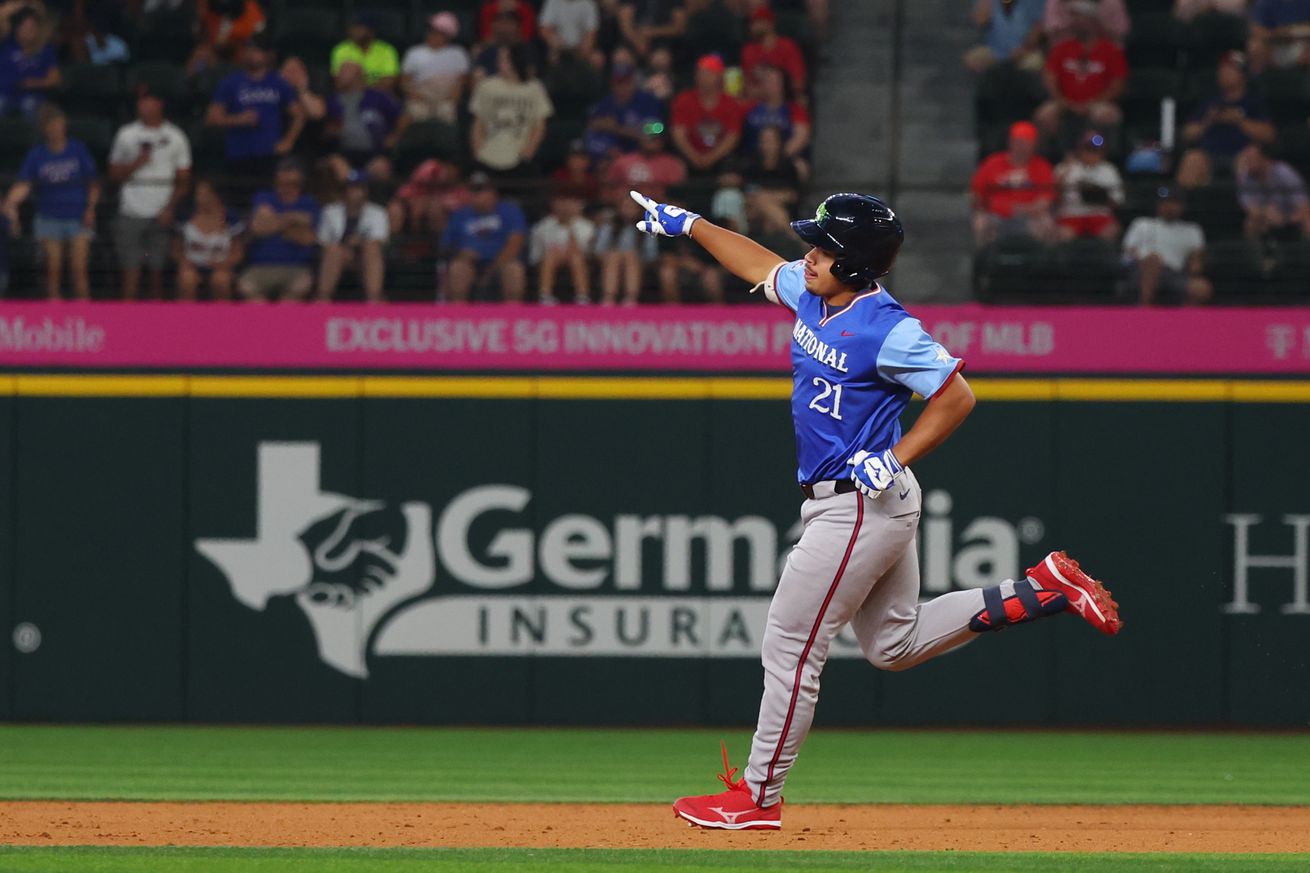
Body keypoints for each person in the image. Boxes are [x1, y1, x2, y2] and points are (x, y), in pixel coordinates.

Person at [626, 187, 1122, 831]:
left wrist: (899, 453)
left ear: (856, 264)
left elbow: (957, 396)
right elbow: (754, 264)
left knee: (790, 645)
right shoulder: (813, 295)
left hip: (860, 503)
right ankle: (1041, 589)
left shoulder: (888, 327)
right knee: (895, 643)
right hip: (861, 503)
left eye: (824, 248)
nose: (808, 256)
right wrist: (689, 223)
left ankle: (757, 797)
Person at [3, 105, 99, 300]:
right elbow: (24, 184)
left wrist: (90, 208)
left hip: (78, 217)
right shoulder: (37, 155)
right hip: (49, 218)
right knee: (53, 270)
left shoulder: (77, 149)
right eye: (52, 126)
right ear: (44, 129)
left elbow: (93, 184)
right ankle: (55, 318)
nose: (56, 129)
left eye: (59, 125)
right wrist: (9, 201)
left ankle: (88, 316)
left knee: (79, 270)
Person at [109, 87, 193, 299]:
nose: (143, 105)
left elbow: (183, 180)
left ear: (160, 104)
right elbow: (113, 173)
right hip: (131, 212)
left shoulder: (176, 136)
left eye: (148, 101)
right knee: (131, 272)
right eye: (140, 101)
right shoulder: (126, 134)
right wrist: (136, 163)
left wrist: (170, 208)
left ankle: (156, 324)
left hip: (161, 213)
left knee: (157, 272)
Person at [206, 36, 304, 181]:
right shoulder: (231, 83)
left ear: (267, 55)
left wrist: (288, 141)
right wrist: (238, 120)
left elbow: (299, 114)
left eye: (257, 51)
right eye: (249, 50)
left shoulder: (279, 83)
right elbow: (212, 118)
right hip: (238, 154)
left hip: (269, 155)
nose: (251, 54)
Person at [1176, 52, 1275, 189]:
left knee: (1248, 159)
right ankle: (1187, 208)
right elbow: (1188, 134)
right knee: (1192, 159)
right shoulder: (1210, 102)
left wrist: (1240, 121)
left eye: (1230, 69)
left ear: (1243, 75)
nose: (1224, 73)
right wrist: (1208, 121)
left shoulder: (1253, 103)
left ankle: (1251, 207)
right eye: (1222, 69)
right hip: (1209, 154)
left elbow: (1269, 136)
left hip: (1241, 153)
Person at [1034, 1, 1127, 146]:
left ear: (1093, 20)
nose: (1076, 22)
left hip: (1096, 103)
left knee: (1107, 115)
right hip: (1065, 102)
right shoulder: (1062, 48)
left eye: (1081, 17)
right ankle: (1049, 158)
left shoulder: (1110, 50)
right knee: (1044, 115)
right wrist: (1061, 100)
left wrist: (1095, 102)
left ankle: (1096, 154)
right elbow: (1049, 77)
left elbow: (1118, 83)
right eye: (1075, 18)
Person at [238, 158, 319, 301]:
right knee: (247, 287)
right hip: (260, 267)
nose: (287, 189)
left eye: (293, 184)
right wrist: (292, 220)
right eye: (281, 184)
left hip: (296, 268)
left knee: (298, 290)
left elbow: (307, 239)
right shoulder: (263, 197)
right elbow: (258, 228)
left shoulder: (309, 202)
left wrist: (273, 222)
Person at [440, 172, 528, 301]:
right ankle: (458, 317)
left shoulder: (510, 210)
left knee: (514, 270)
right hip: (469, 263)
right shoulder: (460, 215)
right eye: (474, 190)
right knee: (457, 269)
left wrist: (491, 270)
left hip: (501, 262)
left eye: (482, 190)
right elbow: (446, 246)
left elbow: (515, 242)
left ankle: (512, 318)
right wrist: (461, 253)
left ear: (493, 192)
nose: (477, 195)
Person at [469, 44, 553, 177]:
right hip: (488, 155)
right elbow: (479, 123)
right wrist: (478, 152)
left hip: (519, 157)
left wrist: (527, 154)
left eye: (504, 59)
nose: (499, 63)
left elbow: (539, 125)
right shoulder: (487, 86)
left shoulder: (534, 87)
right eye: (500, 59)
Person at [970, 120, 1056, 245]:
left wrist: (1023, 210)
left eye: (1026, 143)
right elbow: (976, 193)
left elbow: (1045, 200)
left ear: (1033, 145)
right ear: (1010, 142)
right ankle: (983, 262)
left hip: (1030, 216)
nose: (1021, 146)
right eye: (1018, 142)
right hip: (995, 216)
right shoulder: (993, 163)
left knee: (1046, 225)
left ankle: (1045, 262)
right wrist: (988, 208)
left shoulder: (1041, 166)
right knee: (980, 223)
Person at [1122, 186, 1211, 305]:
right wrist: (1142, 262)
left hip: (1174, 274)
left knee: (1202, 288)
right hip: (1141, 269)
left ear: (1182, 206)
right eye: (1164, 203)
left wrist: (1194, 270)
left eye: (1173, 203)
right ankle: (1144, 311)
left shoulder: (1192, 230)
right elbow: (1128, 251)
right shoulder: (1142, 223)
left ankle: (1185, 321)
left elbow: (1196, 260)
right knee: (1154, 259)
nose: (1168, 207)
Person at [324, 60, 406, 183]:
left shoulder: (377, 97)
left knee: (381, 169)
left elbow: (404, 117)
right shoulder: (331, 100)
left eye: (344, 71)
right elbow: (322, 129)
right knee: (338, 169)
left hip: (374, 152)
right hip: (342, 152)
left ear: (359, 75)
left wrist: (395, 136)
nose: (338, 75)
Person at [317, 171, 389, 303]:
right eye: (352, 188)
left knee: (371, 249)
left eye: (359, 188)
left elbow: (378, 240)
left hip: (363, 257)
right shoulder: (330, 211)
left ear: (366, 191)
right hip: (337, 256)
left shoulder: (378, 212)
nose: (355, 192)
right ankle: (323, 299)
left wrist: (358, 244)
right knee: (333, 250)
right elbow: (323, 240)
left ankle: (373, 299)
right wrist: (344, 249)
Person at [670, 54, 745, 176]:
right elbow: (678, 133)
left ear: (719, 77)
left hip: (721, 159)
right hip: (689, 157)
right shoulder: (684, 100)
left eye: (708, 73)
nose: (702, 77)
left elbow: (732, 136)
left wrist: (711, 158)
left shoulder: (731, 104)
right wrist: (695, 157)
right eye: (700, 73)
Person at [177, 177, 246, 301]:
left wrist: (225, 264)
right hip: (192, 265)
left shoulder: (232, 218)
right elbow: (175, 248)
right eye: (198, 194)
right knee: (187, 279)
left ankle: (221, 318)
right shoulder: (185, 215)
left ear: (216, 196)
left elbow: (238, 252)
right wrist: (184, 262)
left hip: (221, 265)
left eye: (205, 194)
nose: (200, 198)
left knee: (220, 280)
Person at [401, 12, 470, 124]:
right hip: (421, 96)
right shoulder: (414, 52)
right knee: (417, 112)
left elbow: (461, 82)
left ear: (448, 36)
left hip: (447, 97)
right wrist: (416, 96)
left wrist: (451, 99)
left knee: (446, 111)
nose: (433, 35)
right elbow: (405, 82)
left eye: (438, 33)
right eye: (431, 31)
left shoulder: (458, 53)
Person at [584, 62, 664, 159]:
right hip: (610, 154)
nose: (622, 87)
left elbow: (658, 129)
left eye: (626, 82)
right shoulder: (606, 102)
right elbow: (592, 124)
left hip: (640, 155)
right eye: (618, 83)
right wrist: (597, 124)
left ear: (633, 82)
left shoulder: (647, 100)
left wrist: (618, 128)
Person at [1054, 130, 1123, 241]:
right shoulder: (1066, 167)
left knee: (1111, 231)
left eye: (1096, 150)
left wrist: (1097, 195)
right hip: (1072, 214)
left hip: (1099, 214)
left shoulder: (1109, 170)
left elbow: (1117, 201)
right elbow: (1054, 197)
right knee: (1063, 234)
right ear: (1080, 149)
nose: (1092, 153)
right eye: (1088, 149)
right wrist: (1065, 174)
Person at [529, 190, 595, 303]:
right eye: (561, 202)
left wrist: (569, 228)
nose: (565, 207)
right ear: (553, 205)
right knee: (551, 255)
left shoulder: (587, 226)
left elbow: (585, 252)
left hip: (578, 259)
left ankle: (582, 296)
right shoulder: (543, 226)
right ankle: (545, 295)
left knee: (575, 257)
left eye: (569, 203)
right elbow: (536, 254)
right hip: (547, 260)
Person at [1237, 143, 1310, 241]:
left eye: (1251, 159)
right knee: (1251, 223)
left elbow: (1303, 206)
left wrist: (1285, 219)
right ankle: (1257, 255)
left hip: (1292, 216)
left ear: (1264, 158)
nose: (1247, 163)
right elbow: (1251, 208)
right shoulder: (1245, 177)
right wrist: (1266, 212)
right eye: (1246, 160)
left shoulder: (1284, 172)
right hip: (1267, 216)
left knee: (1308, 221)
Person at [388, 158, 470, 241]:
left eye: (454, 171)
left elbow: (460, 207)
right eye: (448, 169)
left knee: (436, 207)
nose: (449, 173)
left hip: (443, 222)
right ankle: (394, 242)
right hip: (410, 210)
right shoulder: (430, 169)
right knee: (396, 208)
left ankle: (441, 245)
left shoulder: (460, 190)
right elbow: (407, 193)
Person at [743, 64, 810, 161]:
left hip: (783, 160)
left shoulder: (795, 110)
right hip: (751, 160)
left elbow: (800, 137)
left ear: (783, 85)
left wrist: (776, 159)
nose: (769, 85)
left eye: (774, 82)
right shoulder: (750, 108)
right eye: (767, 81)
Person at [0, 7, 59, 118]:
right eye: (26, 27)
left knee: (29, 105)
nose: (31, 31)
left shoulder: (45, 48)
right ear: (17, 29)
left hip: (31, 96)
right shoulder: (5, 45)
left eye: (34, 27)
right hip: (4, 93)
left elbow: (55, 79)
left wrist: (33, 83)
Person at [963, 0, 1045, 73]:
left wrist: (1024, 49)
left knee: (1034, 63)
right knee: (972, 59)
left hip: (1025, 51)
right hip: (994, 50)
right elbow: (980, 21)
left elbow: (1038, 27)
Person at [741, 6, 807, 96]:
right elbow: (747, 87)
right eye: (752, 23)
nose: (753, 27)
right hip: (757, 105)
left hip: (785, 101)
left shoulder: (787, 47)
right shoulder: (749, 51)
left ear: (770, 23)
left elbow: (799, 83)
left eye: (757, 22)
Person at [330, 12, 400, 93]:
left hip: (379, 97)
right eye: (353, 28)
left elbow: (389, 81)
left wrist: (366, 94)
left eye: (360, 28)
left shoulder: (387, 50)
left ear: (371, 31)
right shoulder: (341, 49)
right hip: (349, 95)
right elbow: (339, 82)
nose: (355, 31)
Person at [190, 0, 265, 70]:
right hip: (213, 51)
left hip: (240, 54)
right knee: (200, 56)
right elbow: (200, 32)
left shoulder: (250, 8)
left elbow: (258, 38)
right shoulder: (206, 5)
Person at [1248, 0, 1310, 71]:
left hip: (1302, 45)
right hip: (1274, 46)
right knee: (1256, 47)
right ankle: (1257, 80)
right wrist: (1277, 34)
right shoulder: (1265, 3)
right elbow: (1256, 30)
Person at [617, 0, 687, 59]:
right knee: (622, 56)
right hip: (634, 36)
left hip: (662, 39)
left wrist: (652, 32)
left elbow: (678, 27)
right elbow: (625, 24)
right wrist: (637, 41)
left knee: (661, 57)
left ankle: (658, 75)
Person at [1044, 0, 1130, 44]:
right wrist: (1074, 23)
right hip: (1065, 55)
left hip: (1104, 55)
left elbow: (1121, 35)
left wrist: (1097, 22)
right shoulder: (1056, 2)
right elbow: (1051, 31)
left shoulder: (1113, 2)